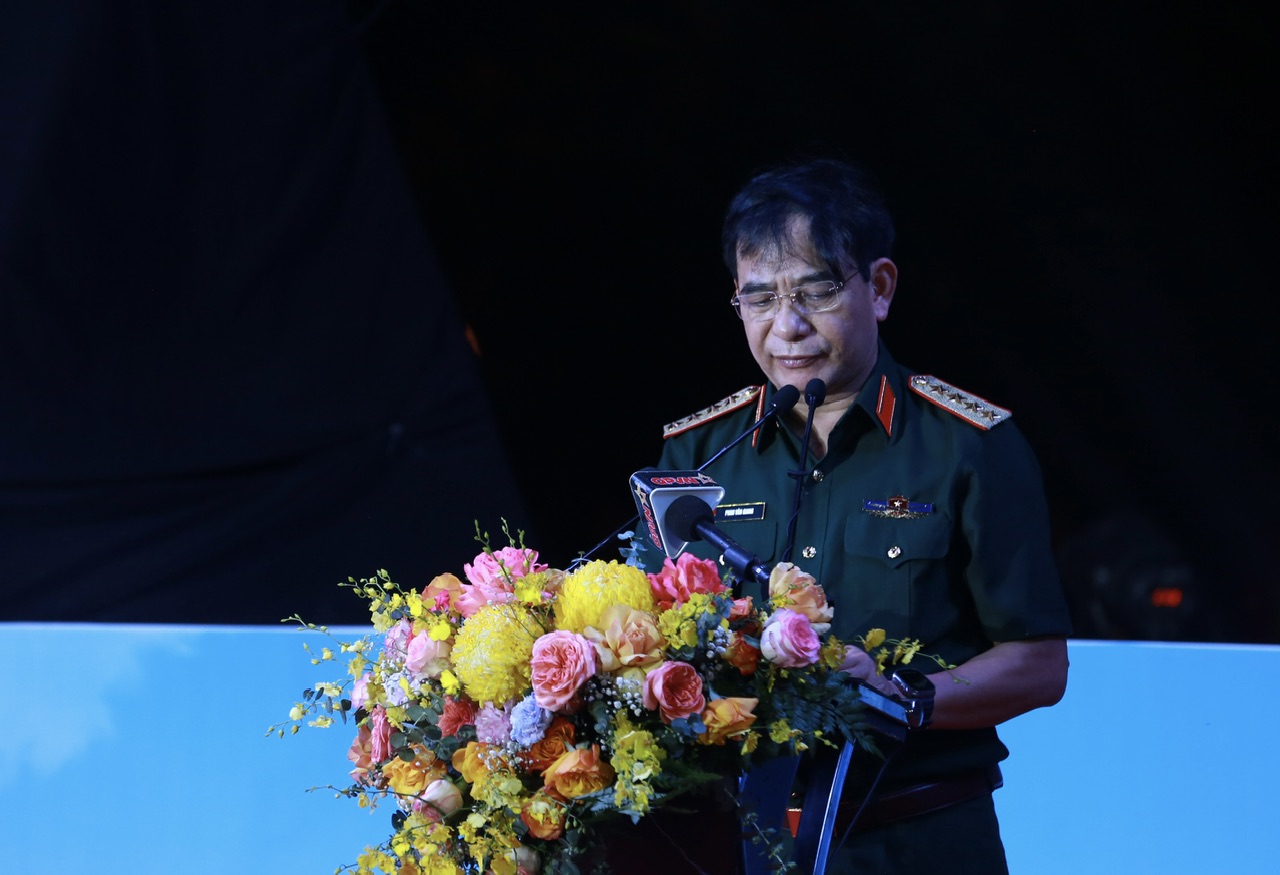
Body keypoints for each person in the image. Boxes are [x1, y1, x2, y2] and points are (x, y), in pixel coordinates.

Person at [645, 157, 1072, 874]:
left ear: (879, 288)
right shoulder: (699, 453)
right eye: (759, 299)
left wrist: (905, 697)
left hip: (918, 838)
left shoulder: (968, 446)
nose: (787, 327)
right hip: (741, 844)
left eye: (815, 292)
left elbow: (1039, 664)